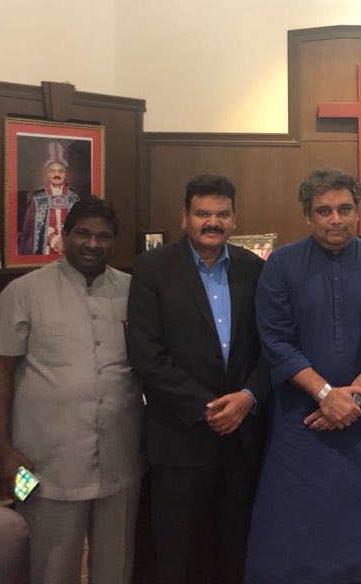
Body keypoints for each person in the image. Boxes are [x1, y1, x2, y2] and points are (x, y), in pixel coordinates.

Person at [245, 167, 361, 584]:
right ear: (307, 215)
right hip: (301, 423)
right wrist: (324, 394)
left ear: (358, 212)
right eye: (324, 211)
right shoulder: (281, 265)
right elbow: (275, 340)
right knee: (297, 538)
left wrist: (351, 399)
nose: (335, 219)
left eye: (344, 209)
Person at [0, 196, 144, 584]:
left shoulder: (135, 291)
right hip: (41, 465)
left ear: (114, 241)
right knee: (47, 570)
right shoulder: (23, 292)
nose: (93, 244)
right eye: (83, 234)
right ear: (65, 235)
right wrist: (2, 450)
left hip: (120, 457)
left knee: (117, 567)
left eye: (103, 237)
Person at [126, 174, 268, 584]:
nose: (213, 222)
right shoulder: (152, 268)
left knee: (234, 549)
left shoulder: (255, 269)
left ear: (234, 219)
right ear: (184, 217)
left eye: (222, 214)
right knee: (177, 554)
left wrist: (248, 396)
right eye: (203, 213)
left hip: (242, 439)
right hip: (180, 438)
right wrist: (207, 408)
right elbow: (147, 354)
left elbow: (271, 348)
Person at [18, 141, 79, 256]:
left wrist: (65, 241)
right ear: (47, 174)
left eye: (60, 171)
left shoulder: (74, 198)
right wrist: (53, 239)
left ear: (65, 174)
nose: (57, 174)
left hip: (69, 250)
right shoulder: (38, 198)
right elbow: (32, 228)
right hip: (45, 250)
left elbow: (79, 225)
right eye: (52, 170)